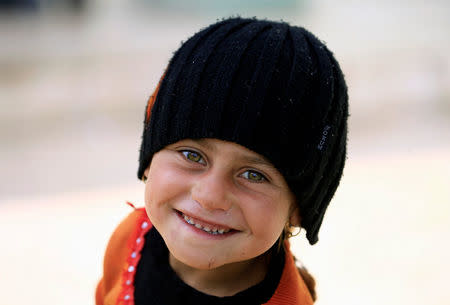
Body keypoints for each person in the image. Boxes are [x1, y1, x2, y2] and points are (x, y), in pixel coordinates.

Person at [95, 17, 348, 305]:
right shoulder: (131, 239)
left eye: (253, 175)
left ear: (299, 208)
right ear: (151, 159)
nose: (210, 196)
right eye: (192, 155)